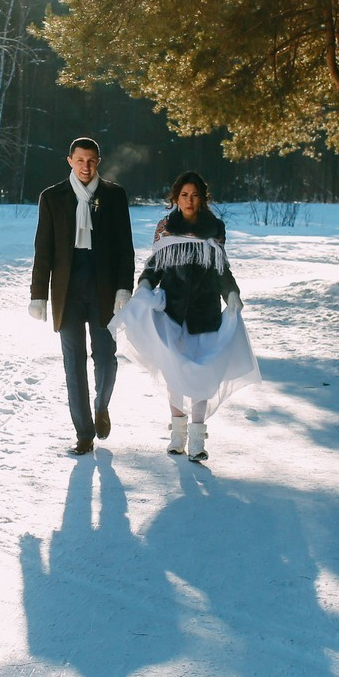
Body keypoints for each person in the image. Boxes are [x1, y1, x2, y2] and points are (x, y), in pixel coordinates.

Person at [109, 171, 260, 461]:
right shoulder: (166, 227)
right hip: (172, 313)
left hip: (205, 313)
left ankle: (197, 440)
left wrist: (231, 294)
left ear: (203, 198)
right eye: (184, 195)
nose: (189, 201)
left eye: (195, 195)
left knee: (202, 374)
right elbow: (155, 266)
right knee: (175, 372)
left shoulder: (215, 227)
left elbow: (221, 269)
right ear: (175, 198)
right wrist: (143, 286)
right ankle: (177, 435)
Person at [30, 138, 136, 455]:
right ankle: (84, 433)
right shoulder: (52, 197)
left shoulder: (114, 196)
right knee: (72, 363)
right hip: (67, 290)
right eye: (80, 160)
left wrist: (123, 287)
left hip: (103, 288)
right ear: (70, 161)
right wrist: (39, 295)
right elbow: (43, 251)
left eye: (91, 160)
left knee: (105, 358)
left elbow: (124, 248)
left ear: (98, 162)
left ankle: (101, 405)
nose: (85, 166)